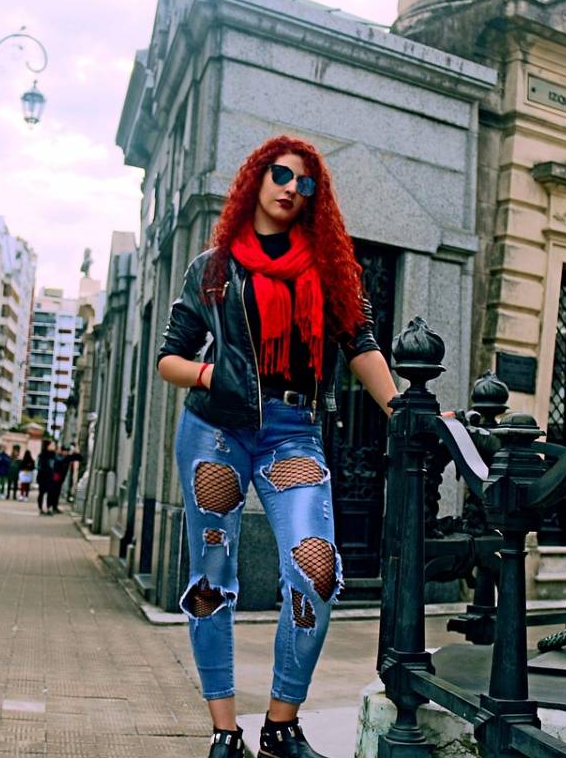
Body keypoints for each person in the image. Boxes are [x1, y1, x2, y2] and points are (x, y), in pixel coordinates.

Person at [156, 136, 396, 758]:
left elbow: (361, 345)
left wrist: (400, 409)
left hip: (292, 431)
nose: (292, 188)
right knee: (212, 576)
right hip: (215, 431)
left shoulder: (331, 270)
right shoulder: (212, 268)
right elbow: (169, 358)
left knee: (316, 570)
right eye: (281, 175)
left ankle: (280, 728)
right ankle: (224, 732)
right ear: (256, 180)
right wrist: (211, 374)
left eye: (305, 183)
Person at [36, 440, 55, 516]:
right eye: (52, 445)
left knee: (51, 493)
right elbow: (40, 467)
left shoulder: (53, 455)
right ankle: (41, 508)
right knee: (42, 493)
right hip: (43, 477)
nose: (54, 447)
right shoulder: (42, 455)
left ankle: (48, 508)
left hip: (51, 477)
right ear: (47, 446)